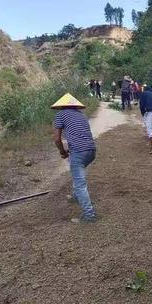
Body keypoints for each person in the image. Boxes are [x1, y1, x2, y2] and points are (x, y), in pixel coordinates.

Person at [52, 93, 97, 223]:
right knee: (77, 170)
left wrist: (62, 152)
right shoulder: (81, 115)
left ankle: (89, 215)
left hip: (79, 151)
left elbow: (56, 139)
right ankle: (76, 196)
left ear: (61, 106)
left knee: (79, 183)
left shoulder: (60, 115)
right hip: (91, 151)